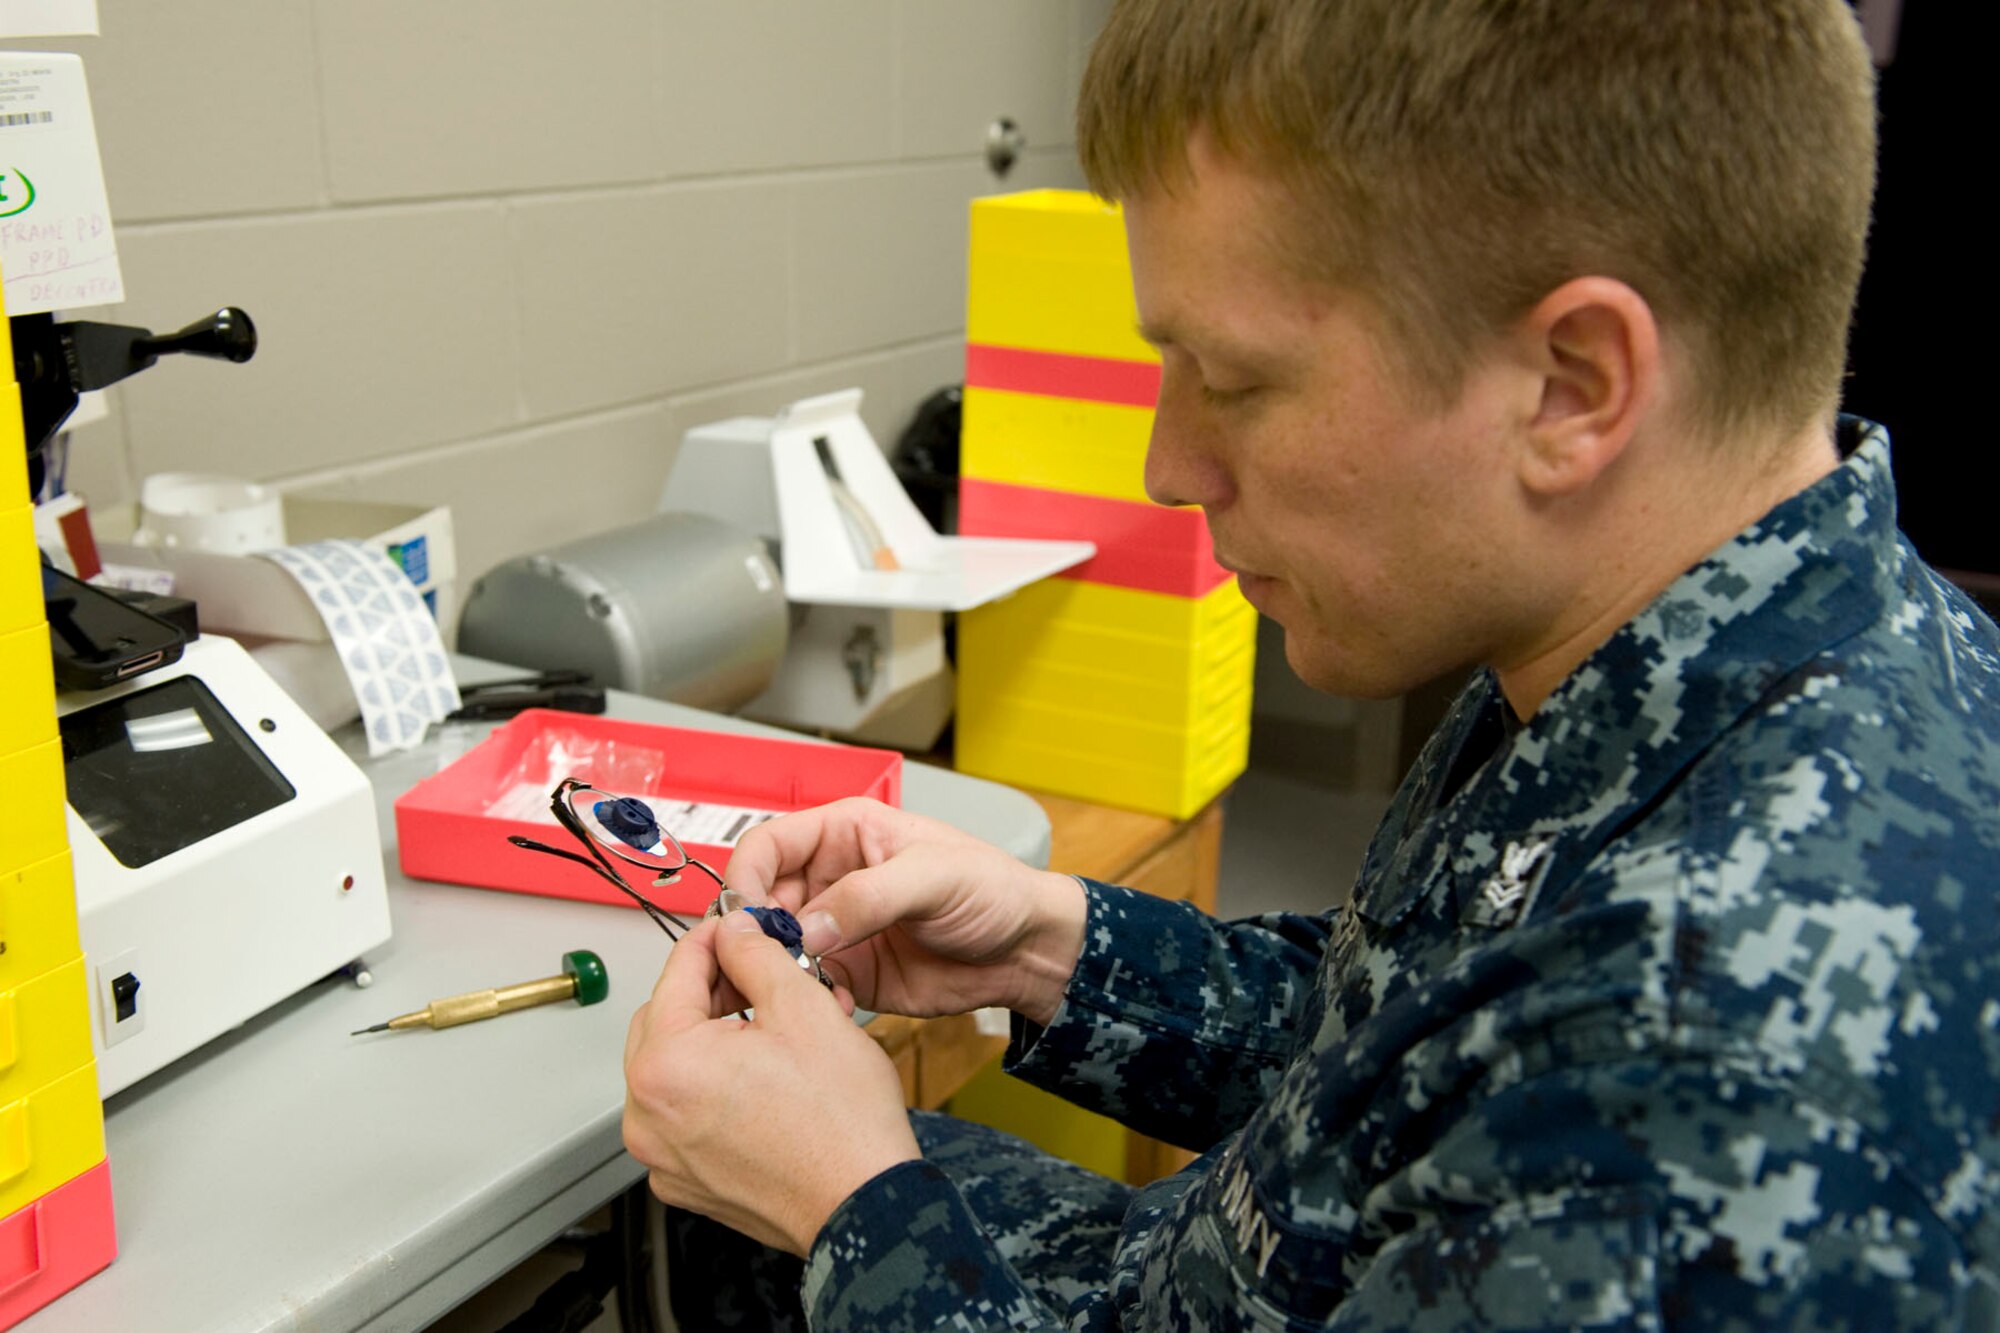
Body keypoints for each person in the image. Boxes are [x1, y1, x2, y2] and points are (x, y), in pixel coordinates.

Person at [620, 1, 2000, 1327]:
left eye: (1234, 380)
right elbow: (1406, 1062)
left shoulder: (1715, 1086)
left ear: (1571, 384)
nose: (1170, 466)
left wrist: (859, 1208)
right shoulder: (1673, 638)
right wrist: (1050, 942)